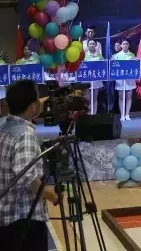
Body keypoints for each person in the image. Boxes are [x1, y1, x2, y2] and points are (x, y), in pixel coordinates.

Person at [0, 80, 60, 251]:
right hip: (23, 221)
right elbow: (28, 181)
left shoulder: (3, 124)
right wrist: (53, 196)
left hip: (5, 219)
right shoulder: (25, 135)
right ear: (33, 106)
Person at [114, 40, 137, 121]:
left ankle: (127, 114)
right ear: (121, 45)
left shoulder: (132, 55)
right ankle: (122, 115)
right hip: (120, 79)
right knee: (121, 97)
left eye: (126, 44)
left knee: (129, 97)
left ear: (129, 45)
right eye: (123, 44)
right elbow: (114, 67)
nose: (125, 45)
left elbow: (135, 67)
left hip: (129, 79)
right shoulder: (117, 55)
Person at [84, 40, 105, 115]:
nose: (92, 45)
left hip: (96, 80)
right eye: (90, 44)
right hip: (87, 80)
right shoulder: (84, 55)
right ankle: (88, 115)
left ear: (95, 45)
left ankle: (94, 114)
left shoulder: (99, 55)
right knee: (87, 98)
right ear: (88, 45)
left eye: (93, 44)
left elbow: (103, 66)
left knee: (94, 98)